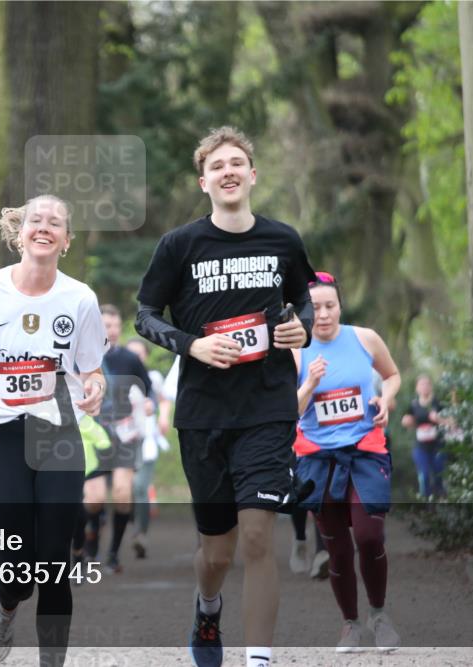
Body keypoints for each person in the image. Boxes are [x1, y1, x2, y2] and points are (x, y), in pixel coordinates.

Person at [135, 126, 316, 667]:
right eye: (217, 166)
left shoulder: (282, 240)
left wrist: (302, 328)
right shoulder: (179, 245)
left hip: (268, 406)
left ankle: (258, 659)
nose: (228, 171)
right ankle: (207, 608)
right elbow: (145, 315)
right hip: (204, 414)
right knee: (216, 552)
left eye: (237, 163)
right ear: (204, 182)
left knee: (257, 536)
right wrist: (192, 345)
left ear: (252, 175)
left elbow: (304, 300)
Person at [0, 195, 108, 666]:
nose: (44, 228)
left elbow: (92, 369)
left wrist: (95, 388)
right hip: (0, 436)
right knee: (17, 566)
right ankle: (5, 606)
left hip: (58, 433)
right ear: (21, 234)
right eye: (36, 220)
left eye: (55, 223)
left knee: (54, 561)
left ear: (66, 240)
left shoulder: (80, 298)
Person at [293, 271, 402, 653]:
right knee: (338, 550)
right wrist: (309, 384)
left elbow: (392, 375)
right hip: (318, 460)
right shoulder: (295, 351)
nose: (323, 314)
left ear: (340, 306)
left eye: (330, 305)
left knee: (370, 536)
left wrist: (385, 399)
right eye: (315, 308)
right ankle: (350, 624)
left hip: (365, 451)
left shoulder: (364, 338)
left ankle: (379, 615)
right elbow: (287, 410)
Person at [80, 304, 154, 574]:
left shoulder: (129, 358)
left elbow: (148, 389)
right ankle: (90, 546)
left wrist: (149, 402)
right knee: (94, 498)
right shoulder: (82, 357)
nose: (111, 331)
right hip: (93, 433)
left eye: (115, 326)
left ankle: (113, 554)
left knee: (122, 494)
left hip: (124, 434)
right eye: (105, 326)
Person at [125, 337, 172, 559]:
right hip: (120, 443)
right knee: (124, 490)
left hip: (147, 442)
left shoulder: (153, 378)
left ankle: (140, 534)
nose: (135, 358)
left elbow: (163, 399)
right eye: (131, 354)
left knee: (140, 486)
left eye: (139, 354)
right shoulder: (115, 378)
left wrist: (162, 416)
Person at [401, 374, 449, 498]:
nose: (424, 387)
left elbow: (452, 421)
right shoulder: (413, 405)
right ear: (417, 388)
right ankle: (426, 502)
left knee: (438, 476)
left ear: (431, 387)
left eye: (427, 384)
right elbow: (405, 420)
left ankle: (441, 500)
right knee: (425, 475)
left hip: (438, 446)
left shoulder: (438, 403)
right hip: (421, 447)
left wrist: (439, 419)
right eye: (421, 384)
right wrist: (407, 421)